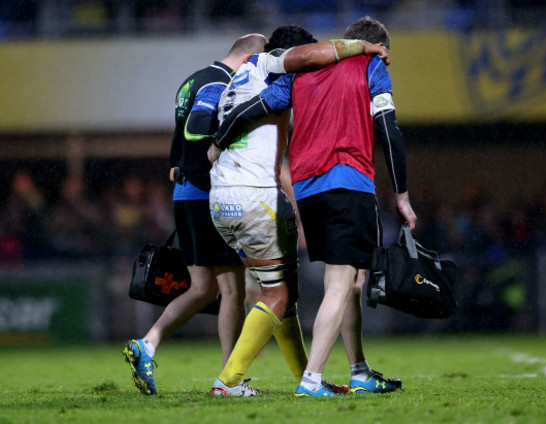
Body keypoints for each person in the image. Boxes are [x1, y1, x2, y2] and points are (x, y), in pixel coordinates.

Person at [213, 16, 417, 397]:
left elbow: (256, 108)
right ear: (376, 47)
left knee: (349, 280)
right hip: (348, 181)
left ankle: (359, 370)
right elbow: (389, 129)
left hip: (307, 189)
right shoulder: (371, 66)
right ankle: (310, 380)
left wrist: (218, 142)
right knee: (341, 284)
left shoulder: (301, 72)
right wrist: (401, 195)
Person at [122, 33, 268, 396]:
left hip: (184, 194)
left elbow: (178, 139)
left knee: (204, 288)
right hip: (206, 196)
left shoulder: (192, 80)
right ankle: (229, 379)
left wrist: (178, 166)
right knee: (233, 290)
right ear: (249, 59)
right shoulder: (221, 84)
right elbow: (196, 131)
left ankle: (148, 343)